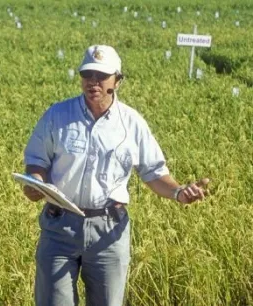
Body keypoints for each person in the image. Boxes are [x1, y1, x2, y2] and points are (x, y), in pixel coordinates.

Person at [23, 45, 209, 306]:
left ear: (117, 81)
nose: (93, 82)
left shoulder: (132, 123)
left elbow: (154, 172)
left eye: (101, 76)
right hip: (59, 228)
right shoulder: (57, 115)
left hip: (108, 232)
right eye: (87, 74)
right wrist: (36, 182)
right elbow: (36, 161)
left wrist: (178, 192)